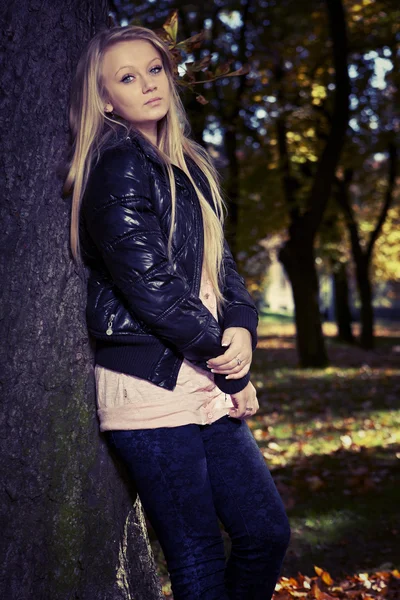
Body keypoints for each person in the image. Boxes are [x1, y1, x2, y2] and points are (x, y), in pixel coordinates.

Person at [63, 24, 290, 600]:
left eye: (154, 69)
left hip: (203, 364)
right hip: (149, 380)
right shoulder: (117, 164)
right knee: (196, 557)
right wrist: (227, 362)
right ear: (105, 98)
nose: (146, 84)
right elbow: (152, 288)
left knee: (265, 532)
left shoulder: (191, 162)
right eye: (126, 77)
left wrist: (242, 325)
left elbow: (225, 269)